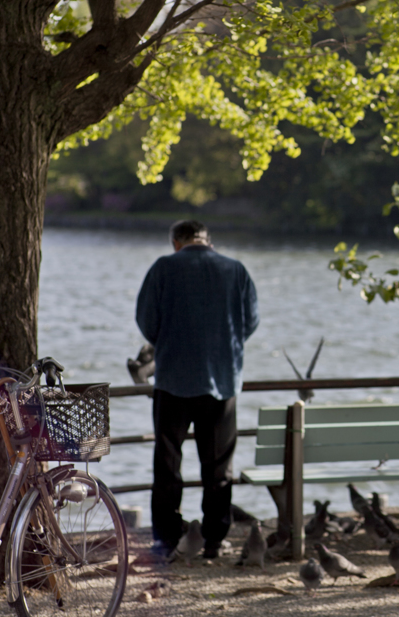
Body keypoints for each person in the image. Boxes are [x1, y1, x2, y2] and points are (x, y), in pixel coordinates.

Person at [136, 219, 259, 559]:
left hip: (173, 381)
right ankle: (215, 539)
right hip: (221, 382)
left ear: (176, 242)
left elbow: (148, 323)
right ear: (209, 240)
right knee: (219, 467)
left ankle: (166, 537)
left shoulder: (163, 268)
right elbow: (250, 322)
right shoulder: (236, 270)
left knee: (168, 464)